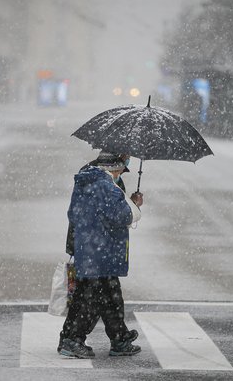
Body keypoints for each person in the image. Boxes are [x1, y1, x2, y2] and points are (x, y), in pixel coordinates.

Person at [59, 152, 143, 358]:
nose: (124, 169)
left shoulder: (94, 179)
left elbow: (82, 213)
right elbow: (121, 214)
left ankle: (119, 337)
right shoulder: (103, 184)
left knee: (109, 294)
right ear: (116, 164)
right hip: (98, 249)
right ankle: (72, 339)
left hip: (95, 247)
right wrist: (134, 204)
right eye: (124, 164)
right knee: (91, 297)